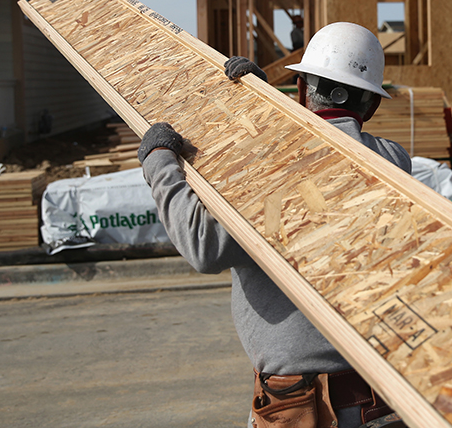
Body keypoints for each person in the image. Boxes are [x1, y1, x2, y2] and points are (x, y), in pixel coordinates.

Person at [138, 22, 410, 428]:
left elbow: (204, 245)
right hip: (385, 402)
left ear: (301, 90)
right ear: (371, 106)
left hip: (303, 409)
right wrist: (263, 113)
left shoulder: (266, 173)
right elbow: (327, 149)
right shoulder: (394, 162)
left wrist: (159, 161)